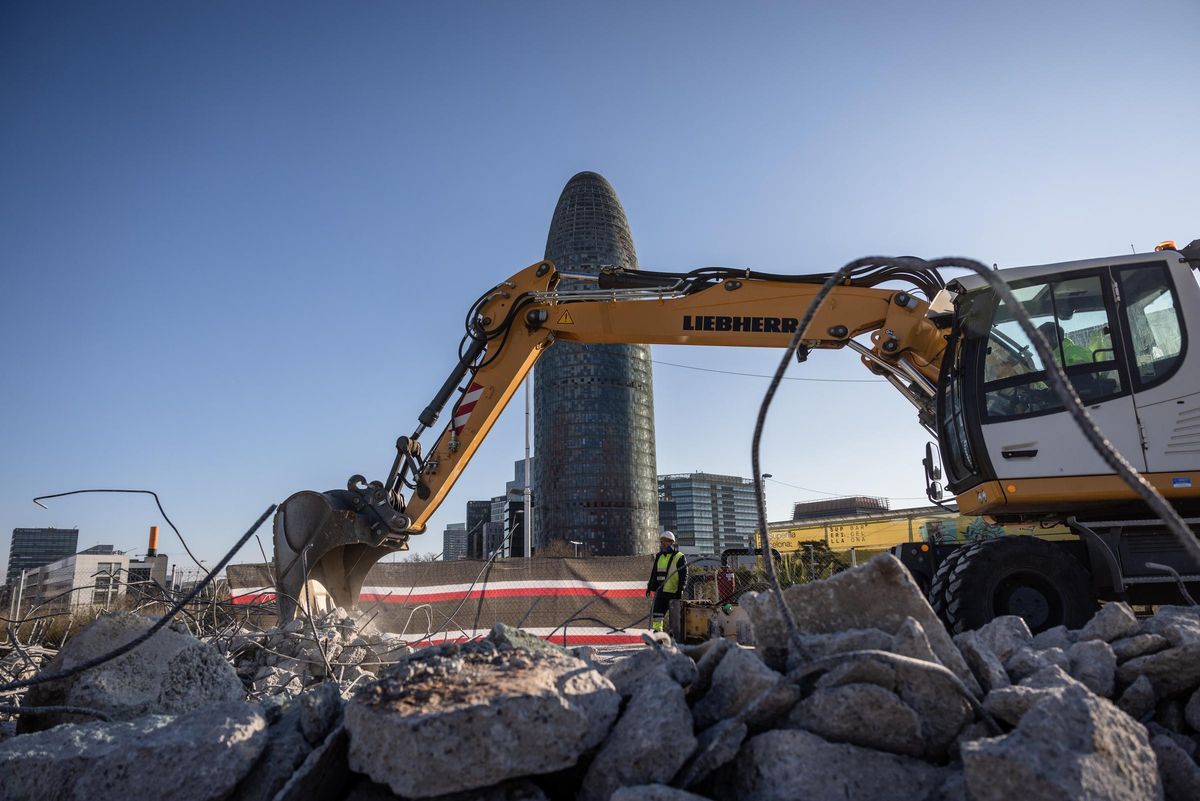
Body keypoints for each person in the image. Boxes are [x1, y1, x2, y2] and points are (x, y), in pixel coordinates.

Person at [646, 531, 687, 633]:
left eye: (664, 541)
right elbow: (654, 573)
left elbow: (684, 574)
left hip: (673, 591)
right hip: (660, 591)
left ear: (670, 542)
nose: (662, 544)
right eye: (661, 541)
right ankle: (658, 633)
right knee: (657, 614)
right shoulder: (659, 556)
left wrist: (681, 588)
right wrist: (650, 587)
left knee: (675, 616)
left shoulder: (679, 556)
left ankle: (675, 635)